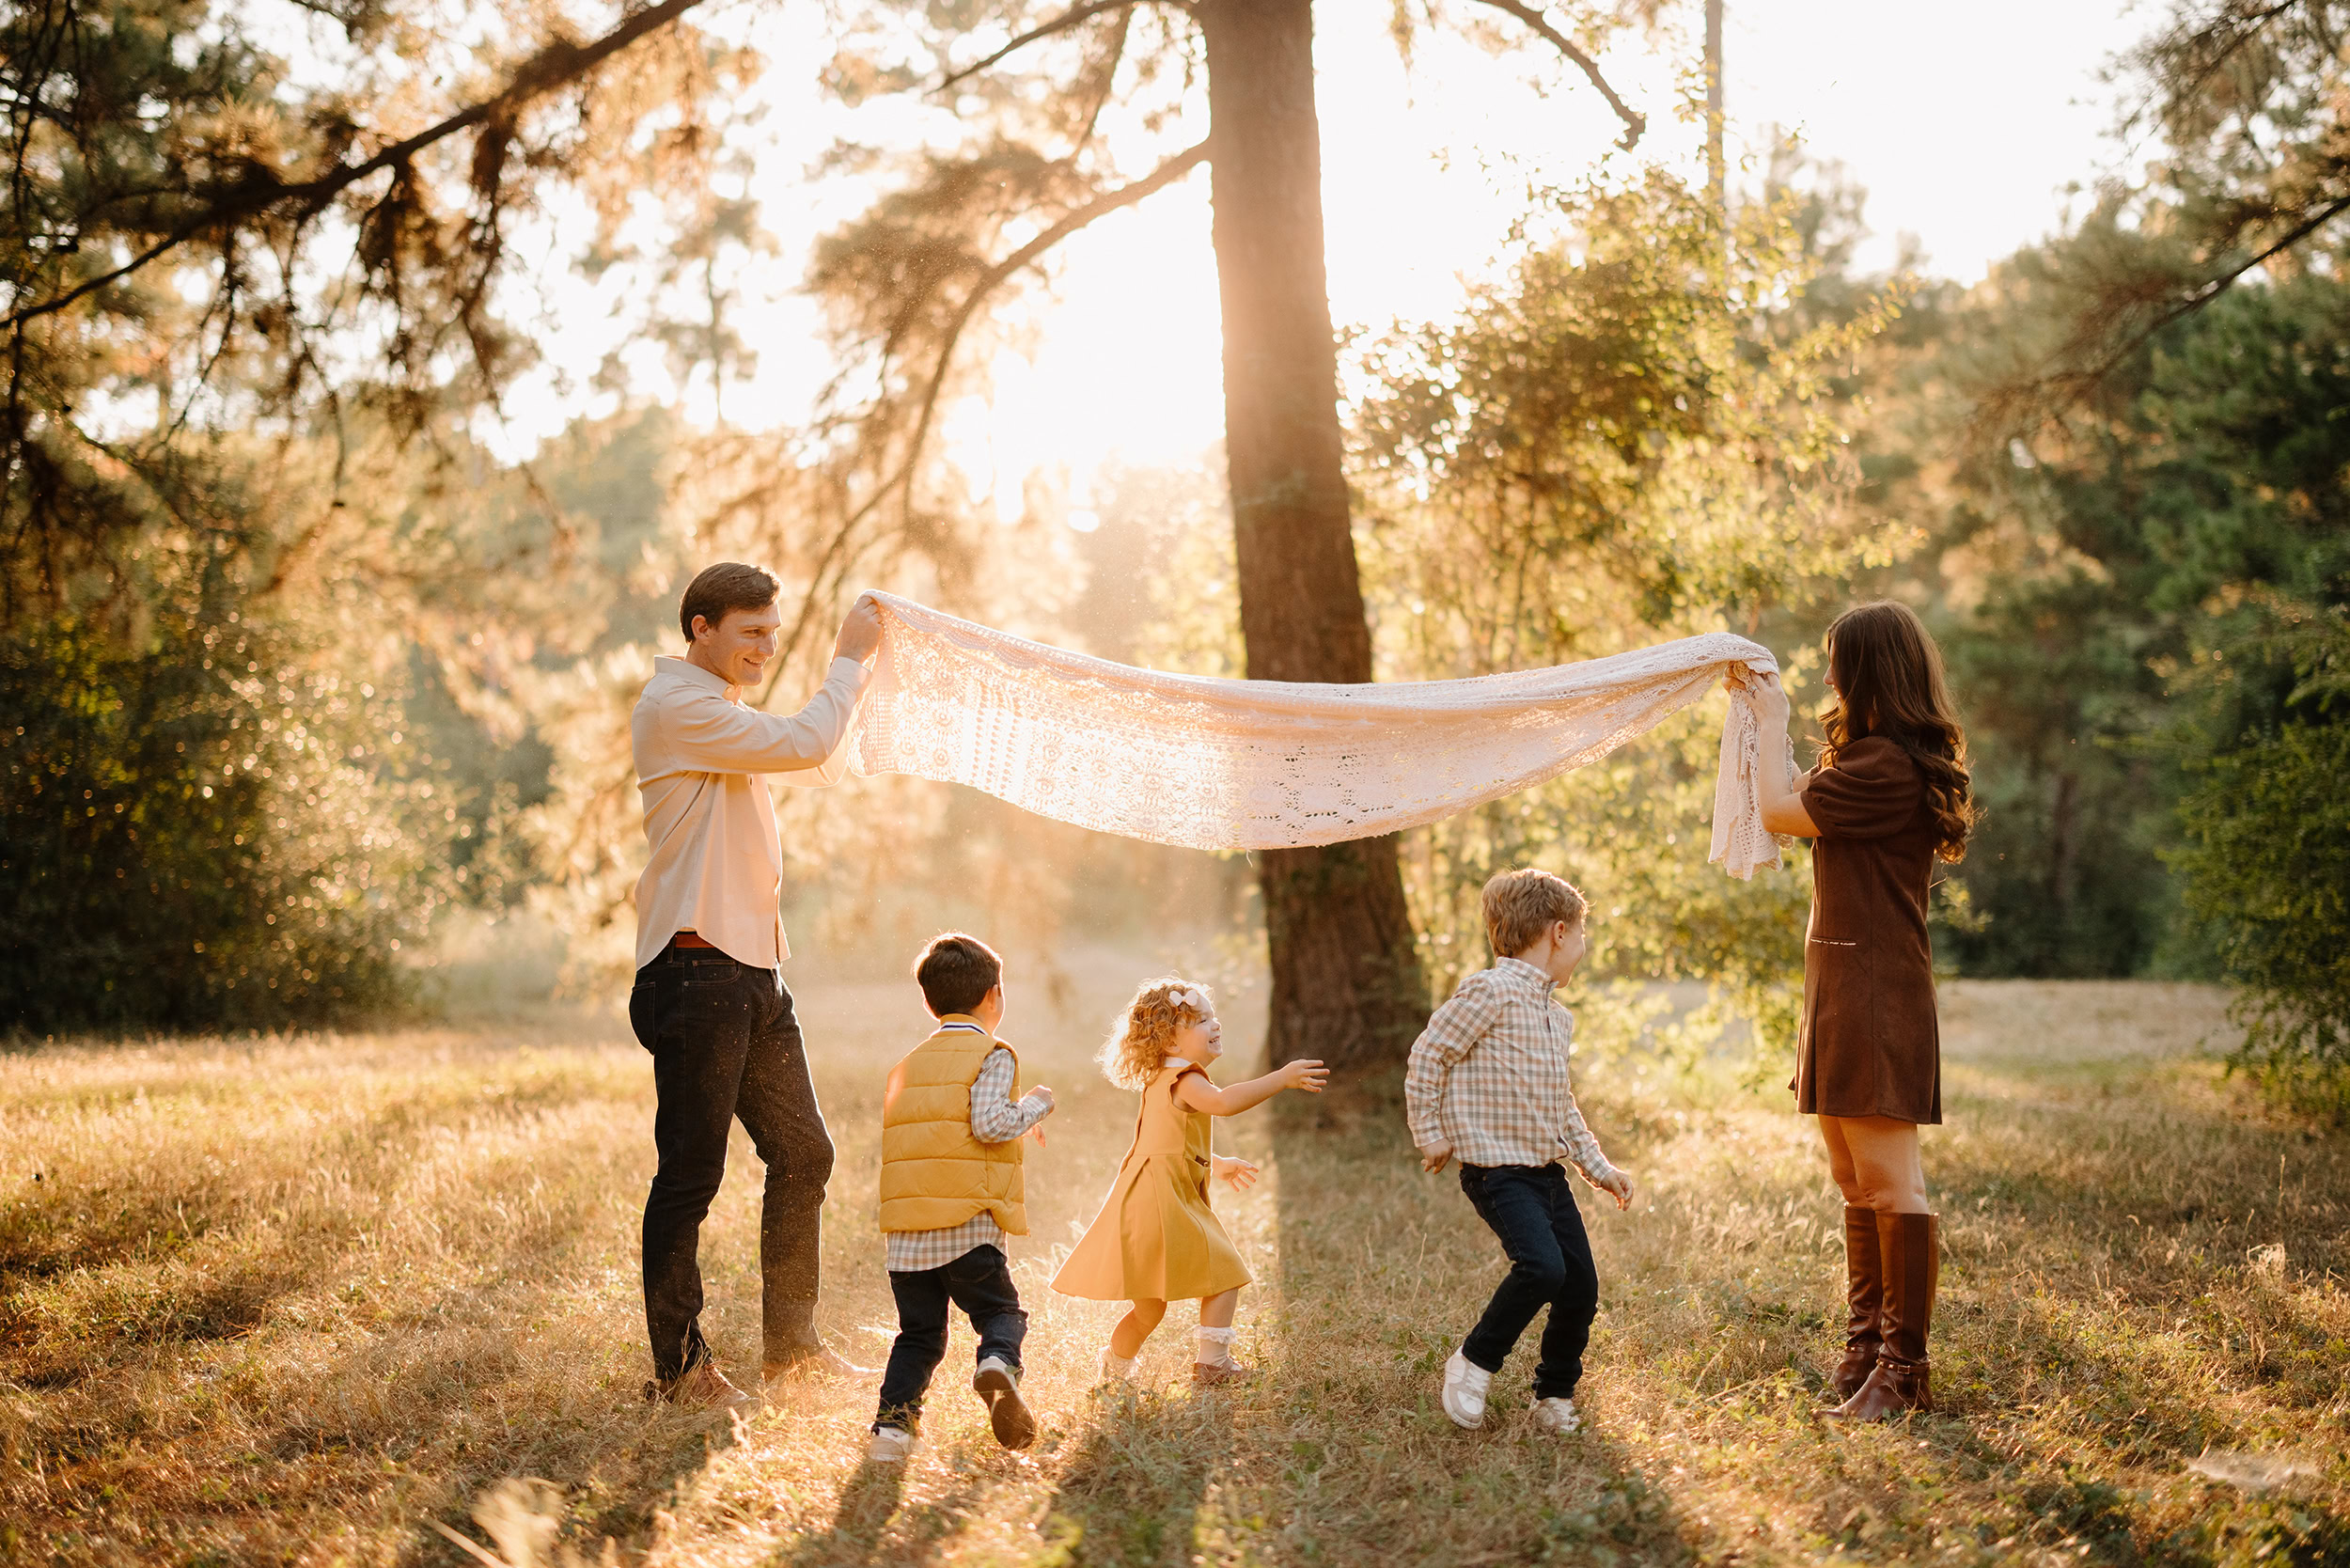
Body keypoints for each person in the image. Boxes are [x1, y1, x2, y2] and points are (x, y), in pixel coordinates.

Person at [627, 562, 884, 1408]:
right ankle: (682, 1368)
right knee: (691, 1176)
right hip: (696, 970)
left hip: (754, 972)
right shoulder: (678, 707)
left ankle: (792, 1351)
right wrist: (847, 657)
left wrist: (872, 674)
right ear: (700, 628)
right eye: (751, 634)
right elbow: (809, 742)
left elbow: (817, 758)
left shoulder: (724, 717)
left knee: (805, 1153)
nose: (766, 649)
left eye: (775, 634)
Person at [1730, 600, 1976, 1420]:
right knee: (1850, 1177)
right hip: (1839, 991)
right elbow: (1794, 798)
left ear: (1871, 670)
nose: (1827, 674)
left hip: (1876, 996)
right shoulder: (1865, 760)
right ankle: (1866, 1349)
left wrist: (1770, 715)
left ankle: (1904, 1374)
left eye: (1838, 660)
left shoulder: (1887, 769)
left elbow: (1774, 810)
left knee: (1888, 1180)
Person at [1406, 868, 1636, 1436]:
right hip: (1496, 1171)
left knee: (1580, 1284)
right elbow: (1427, 1056)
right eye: (1581, 936)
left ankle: (1553, 1395)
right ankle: (1474, 1361)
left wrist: (1598, 1167)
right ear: (1559, 932)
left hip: (1545, 1172)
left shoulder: (1556, 1017)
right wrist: (1430, 1132)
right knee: (1541, 1267)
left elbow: (1562, 1105)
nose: (1581, 949)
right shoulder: (1490, 991)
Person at [1052, 979, 1326, 1386]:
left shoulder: (1161, 1080)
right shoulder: (1186, 1080)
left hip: (1144, 1200)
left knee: (1149, 1310)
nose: (1213, 1025)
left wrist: (1214, 1163)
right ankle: (1213, 1364)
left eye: (1212, 1016)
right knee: (1225, 1272)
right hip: (1163, 1201)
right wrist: (1280, 1078)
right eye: (1199, 1020)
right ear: (1171, 1043)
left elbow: (1165, 1145)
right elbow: (1224, 1103)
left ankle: (1113, 1370)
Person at [868, 933, 1056, 1464]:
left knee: (919, 1336)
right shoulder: (992, 1053)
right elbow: (991, 1123)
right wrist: (1036, 1106)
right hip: (967, 1224)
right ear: (994, 994)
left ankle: (891, 1436)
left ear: (930, 1001)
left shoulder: (905, 1066)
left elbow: (930, 1137)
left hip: (906, 1235)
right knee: (1001, 1311)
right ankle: (996, 1362)